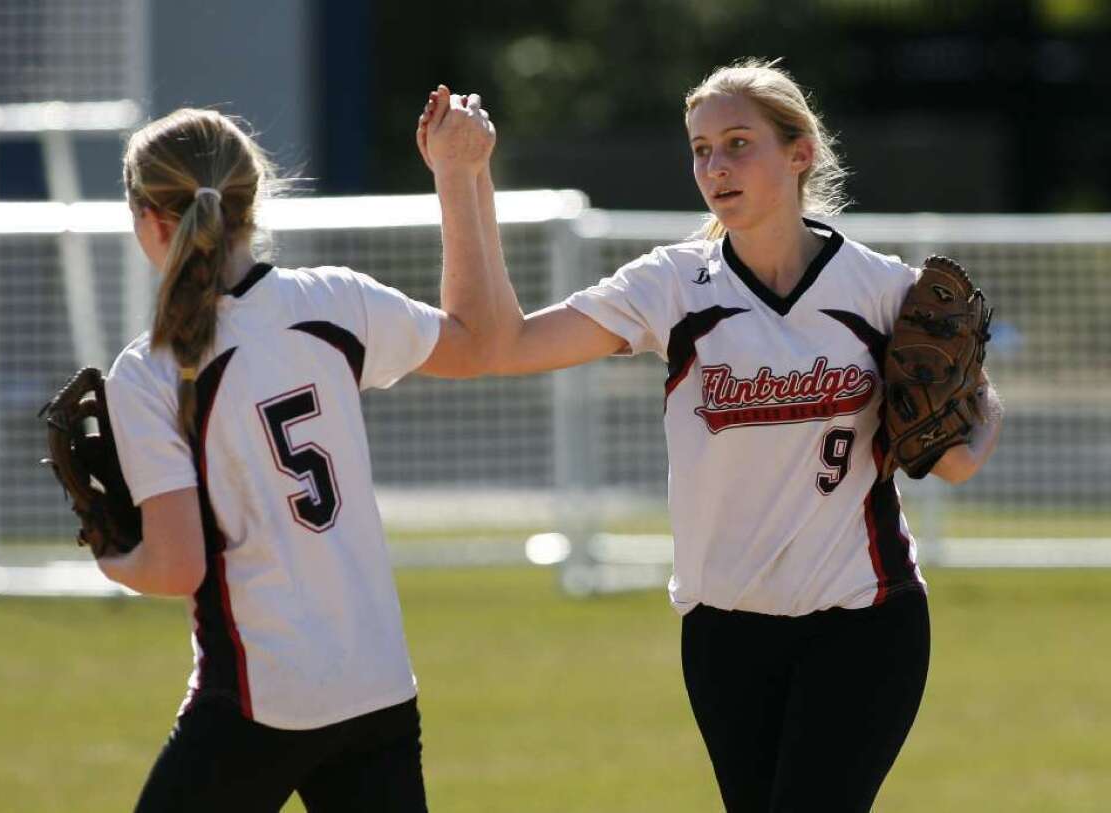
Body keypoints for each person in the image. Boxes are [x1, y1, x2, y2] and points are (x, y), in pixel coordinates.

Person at [418, 60, 1003, 812]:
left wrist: (969, 445)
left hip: (865, 620)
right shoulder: (672, 287)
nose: (714, 167)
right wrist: (463, 176)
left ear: (801, 154)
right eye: (700, 149)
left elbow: (973, 397)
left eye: (737, 143)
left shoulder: (880, 287)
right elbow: (498, 344)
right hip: (725, 634)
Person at [96, 95, 495, 812]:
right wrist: (457, 176)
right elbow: (477, 340)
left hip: (259, 694)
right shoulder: (334, 302)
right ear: (254, 199)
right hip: (375, 686)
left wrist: (106, 553)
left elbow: (176, 566)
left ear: (153, 223)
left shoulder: (149, 369)